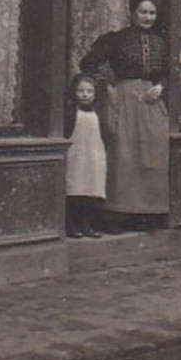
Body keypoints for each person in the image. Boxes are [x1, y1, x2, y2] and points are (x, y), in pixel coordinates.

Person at [80, 0, 171, 222]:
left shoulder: (162, 42)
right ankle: (119, 214)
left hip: (152, 103)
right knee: (124, 155)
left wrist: (160, 86)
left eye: (152, 13)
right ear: (132, 13)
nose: (148, 17)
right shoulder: (117, 39)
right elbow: (88, 64)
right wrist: (108, 85)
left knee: (154, 154)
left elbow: (168, 73)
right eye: (143, 12)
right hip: (124, 102)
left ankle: (149, 213)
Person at [64, 73, 110, 238]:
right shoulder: (70, 113)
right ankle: (71, 225)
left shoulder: (98, 114)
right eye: (81, 91)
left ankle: (86, 224)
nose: (85, 94)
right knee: (75, 190)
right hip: (76, 156)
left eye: (89, 91)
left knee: (91, 192)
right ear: (74, 92)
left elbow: (106, 134)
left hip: (94, 156)